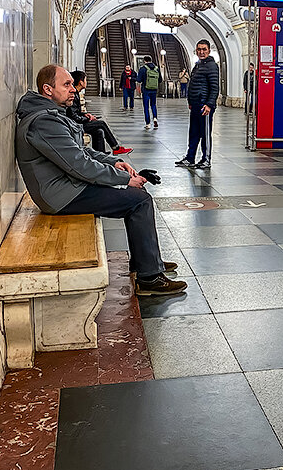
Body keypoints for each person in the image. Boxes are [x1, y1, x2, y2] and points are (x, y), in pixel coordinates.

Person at [15, 65, 186, 296]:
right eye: (66, 85)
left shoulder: (49, 114)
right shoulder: (44, 122)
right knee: (139, 201)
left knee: (136, 200)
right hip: (61, 196)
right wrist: (125, 179)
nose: (73, 89)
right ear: (47, 89)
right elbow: (80, 165)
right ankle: (149, 278)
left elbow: (81, 152)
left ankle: (147, 262)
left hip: (64, 187)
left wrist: (112, 162)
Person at [175, 40, 219, 169]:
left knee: (205, 134)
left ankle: (206, 159)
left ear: (209, 51)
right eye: (199, 49)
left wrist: (209, 104)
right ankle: (190, 158)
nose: (201, 52)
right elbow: (193, 84)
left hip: (204, 106)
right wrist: (190, 102)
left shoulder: (211, 66)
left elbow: (215, 87)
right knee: (193, 133)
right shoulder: (198, 65)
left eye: (204, 49)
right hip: (195, 105)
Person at [67, 71, 132, 155]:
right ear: (81, 82)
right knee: (101, 123)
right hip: (74, 125)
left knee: (99, 131)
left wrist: (85, 114)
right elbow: (73, 117)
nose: (87, 82)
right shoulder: (72, 95)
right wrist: (88, 118)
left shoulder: (76, 94)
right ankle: (116, 147)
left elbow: (75, 112)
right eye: (86, 80)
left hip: (76, 123)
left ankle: (100, 155)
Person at [138, 55, 161, 129]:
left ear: (144, 61)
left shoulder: (143, 69)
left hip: (146, 90)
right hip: (154, 89)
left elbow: (139, 80)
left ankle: (148, 123)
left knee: (146, 107)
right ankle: (155, 118)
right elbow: (160, 80)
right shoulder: (157, 68)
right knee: (153, 105)